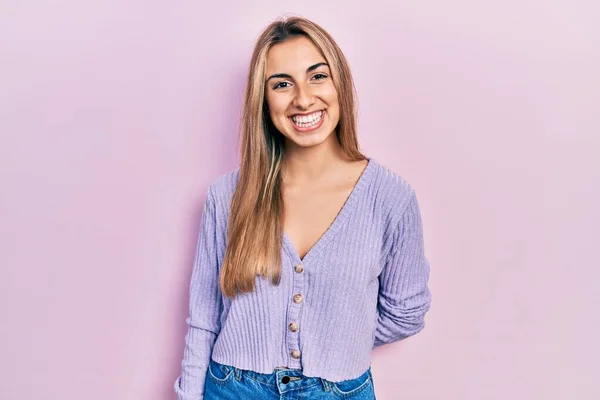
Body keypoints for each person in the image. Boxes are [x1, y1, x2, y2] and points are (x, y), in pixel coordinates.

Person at [174, 15, 432, 400]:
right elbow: (204, 319)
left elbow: (407, 312)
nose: (303, 99)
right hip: (232, 389)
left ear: (339, 82)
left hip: (341, 391)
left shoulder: (390, 199)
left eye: (317, 76)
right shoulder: (227, 195)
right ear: (264, 100)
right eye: (282, 84)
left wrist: (339, 335)